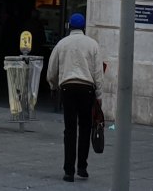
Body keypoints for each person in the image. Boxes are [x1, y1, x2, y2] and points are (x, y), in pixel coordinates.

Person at [44, 12, 107, 183]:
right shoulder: (92, 44)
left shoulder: (61, 44)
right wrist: (99, 95)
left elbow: (52, 69)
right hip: (87, 89)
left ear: (70, 27)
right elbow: (98, 73)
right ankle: (82, 167)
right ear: (83, 27)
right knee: (85, 127)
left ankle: (68, 171)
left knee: (70, 129)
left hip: (68, 87)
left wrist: (53, 85)